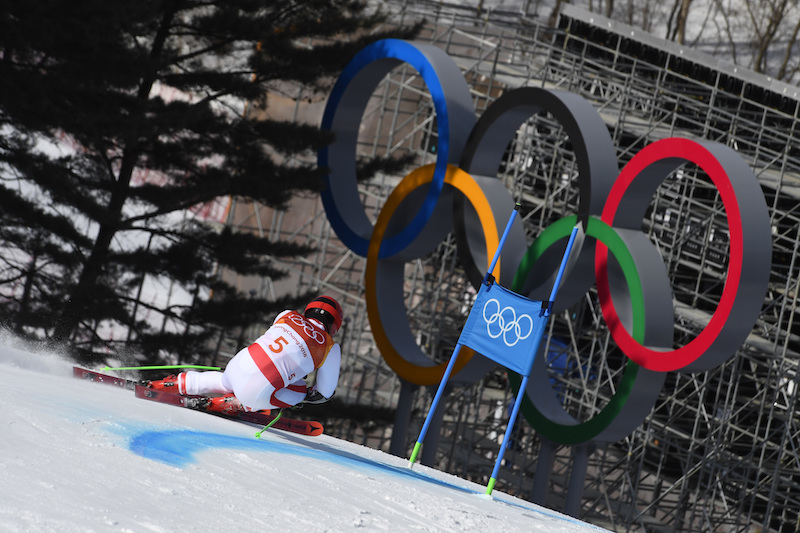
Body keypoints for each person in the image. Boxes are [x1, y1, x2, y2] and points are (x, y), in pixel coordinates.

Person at [147, 296, 344, 415]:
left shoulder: (287, 314)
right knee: (300, 391)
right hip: (257, 389)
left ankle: (172, 384)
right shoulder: (330, 347)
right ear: (335, 326)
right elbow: (322, 394)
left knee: (226, 381)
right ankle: (234, 404)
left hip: (239, 363)